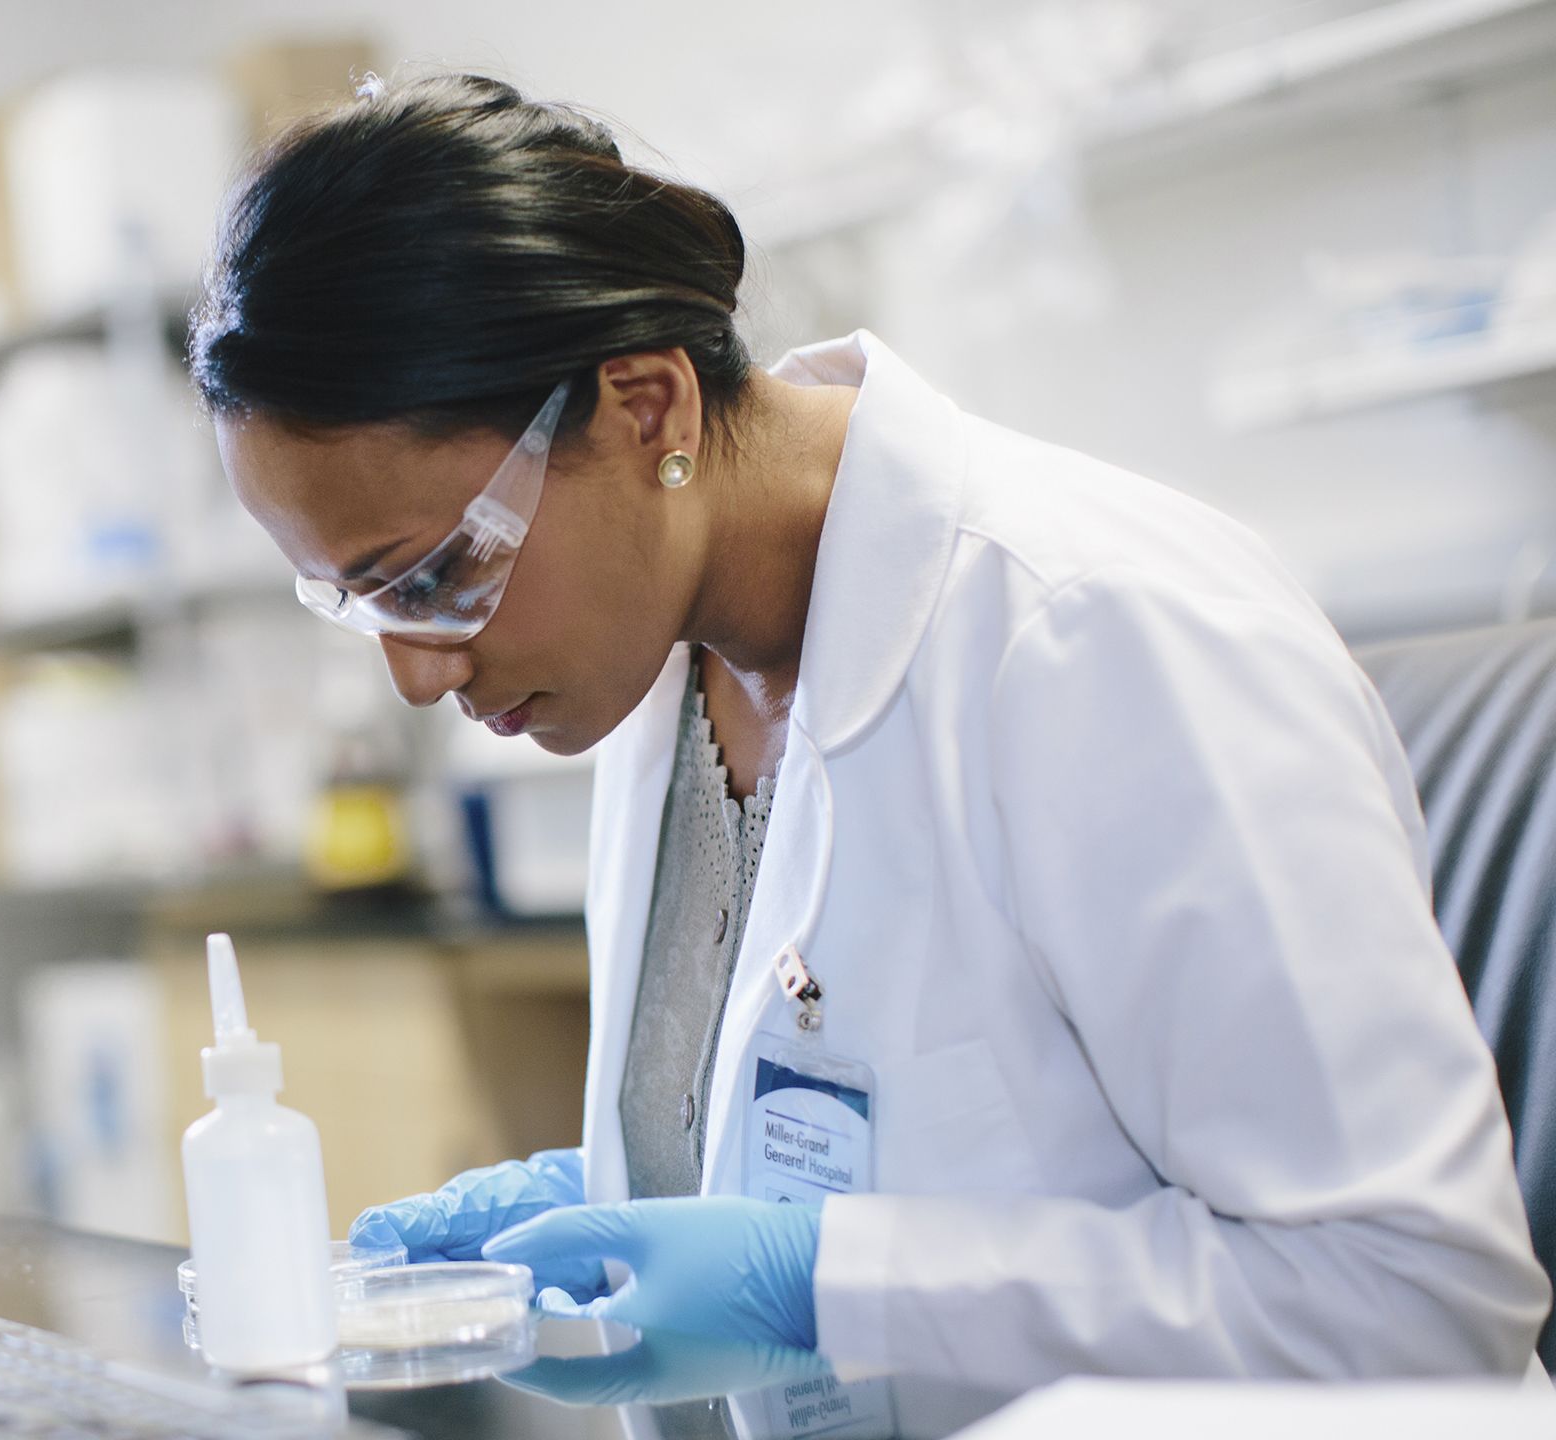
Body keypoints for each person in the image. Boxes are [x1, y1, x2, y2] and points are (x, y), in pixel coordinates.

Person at [186, 72, 1550, 1436]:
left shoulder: (1101, 634)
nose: (415, 673)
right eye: (354, 601)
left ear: (646, 408)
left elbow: (1414, 1299)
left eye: (430, 574)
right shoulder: (660, 661)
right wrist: (649, 1176)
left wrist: (831, 1283)